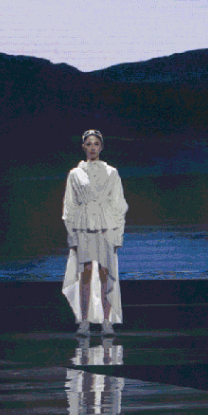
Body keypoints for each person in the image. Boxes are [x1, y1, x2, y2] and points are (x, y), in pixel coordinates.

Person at [62, 130, 128, 336]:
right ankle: (84, 321)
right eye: (89, 144)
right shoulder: (75, 173)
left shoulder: (111, 172)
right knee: (86, 273)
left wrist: (118, 234)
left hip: (105, 225)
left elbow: (119, 204)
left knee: (105, 272)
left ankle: (107, 321)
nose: (92, 147)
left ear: (101, 147)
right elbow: (69, 206)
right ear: (83, 147)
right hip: (83, 225)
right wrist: (72, 235)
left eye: (96, 144)